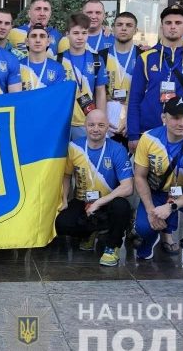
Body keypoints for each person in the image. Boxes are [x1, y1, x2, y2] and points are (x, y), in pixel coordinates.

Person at [133, 96, 183, 280]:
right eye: (176, 118)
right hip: (157, 191)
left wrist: (170, 207)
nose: (182, 123)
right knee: (143, 227)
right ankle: (150, 238)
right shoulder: (149, 138)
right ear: (164, 118)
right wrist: (150, 210)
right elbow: (139, 176)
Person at [56, 110, 133, 267]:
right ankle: (91, 232)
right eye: (91, 125)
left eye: (101, 125)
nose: (96, 129)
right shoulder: (74, 147)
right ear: (85, 125)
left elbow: (128, 187)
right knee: (62, 223)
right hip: (83, 201)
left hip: (107, 202)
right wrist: (64, 199)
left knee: (122, 207)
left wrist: (98, 202)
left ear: (107, 127)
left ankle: (112, 246)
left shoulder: (117, 149)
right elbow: (66, 175)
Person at [128, 6, 183, 154]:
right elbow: (135, 98)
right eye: (168, 23)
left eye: (178, 23)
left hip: (181, 133)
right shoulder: (145, 57)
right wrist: (133, 134)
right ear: (161, 27)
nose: (173, 27)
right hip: (148, 131)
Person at [56, 12, 108, 140]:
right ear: (67, 34)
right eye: (75, 33)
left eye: (84, 33)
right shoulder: (57, 60)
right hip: (62, 122)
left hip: (87, 123)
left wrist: (100, 120)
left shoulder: (96, 59)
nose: (80, 37)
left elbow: (100, 91)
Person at [99, 11, 143, 146]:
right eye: (119, 25)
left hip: (133, 119)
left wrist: (132, 121)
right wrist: (102, 120)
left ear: (135, 30)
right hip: (107, 119)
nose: (124, 28)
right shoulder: (100, 56)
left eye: (129, 25)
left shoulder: (144, 56)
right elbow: (97, 91)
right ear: (113, 28)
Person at [20, 24, 66, 90]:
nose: (38, 40)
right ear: (27, 42)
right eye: (33, 36)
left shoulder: (58, 68)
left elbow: (59, 94)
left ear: (48, 42)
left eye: (42, 36)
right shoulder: (18, 66)